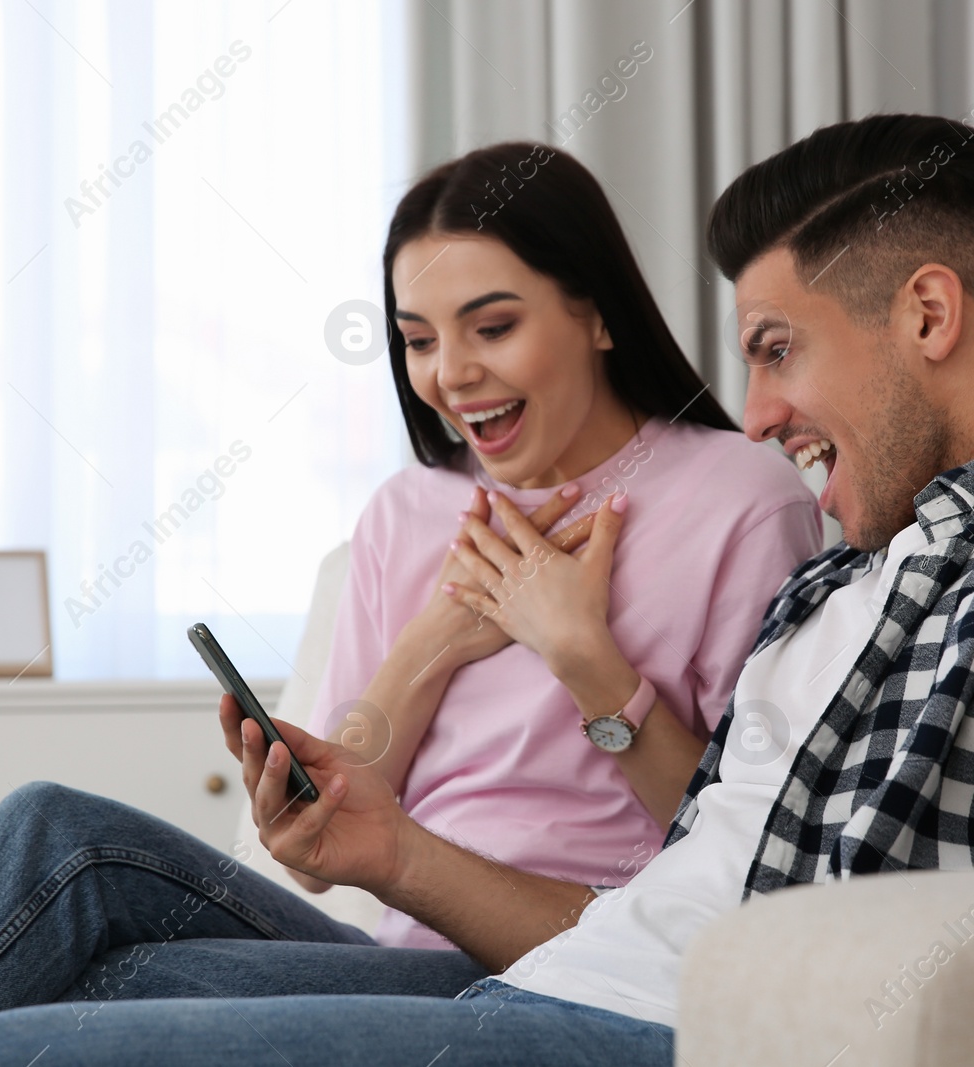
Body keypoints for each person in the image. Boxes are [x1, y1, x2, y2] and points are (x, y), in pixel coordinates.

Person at [0, 114, 974, 1067]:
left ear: (925, 311)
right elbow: (670, 907)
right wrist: (390, 845)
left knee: (6, 1052)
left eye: (777, 350)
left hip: (651, 1035)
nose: (754, 410)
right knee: (56, 941)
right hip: (577, 981)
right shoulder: (852, 562)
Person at [298, 142, 821, 950]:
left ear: (597, 311)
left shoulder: (742, 499)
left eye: (494, 326)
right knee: (65, 840)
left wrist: (581, 652)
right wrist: (437, 636)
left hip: (590, 969)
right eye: (420, 340)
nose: (452, 374)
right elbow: (317, 860)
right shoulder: (405, 511)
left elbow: (759, 847)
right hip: (397, 965)